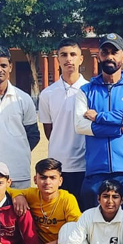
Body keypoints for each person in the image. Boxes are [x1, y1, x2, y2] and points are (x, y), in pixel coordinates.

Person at [73, 32, 123, 224]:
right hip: (96, 170)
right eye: (105, 52)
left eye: (115, 52)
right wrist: (118, 129)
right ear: (99, 56)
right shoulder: (86, 90)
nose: (110, 56)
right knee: (93, 225)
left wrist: (99, 116)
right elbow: (80, 125)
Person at [8, 158, 82, 244]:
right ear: (35, 179)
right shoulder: (31, 194)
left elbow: (77, 233)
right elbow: (7, 189)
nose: (47, 182)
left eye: (52, 178)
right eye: (43, 177)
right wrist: (18, 196)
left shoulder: (68, 199)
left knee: (71, 228)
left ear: (60, 181)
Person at [39, 38, 89, 207]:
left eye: (73, 54)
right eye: (64, 55)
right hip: (57, 166)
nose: (69, 59)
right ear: (58, 58)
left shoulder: (91, 91)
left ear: (80, 59)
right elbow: (49, 130)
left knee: (83, 214)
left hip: (84, 165)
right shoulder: (47, 94)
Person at [0, 46, 39, 189]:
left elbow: (33, 135)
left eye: (3, 65)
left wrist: (18, 150)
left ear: (10, 67)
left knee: (20, 211)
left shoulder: (23, 98)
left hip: (18, 172)